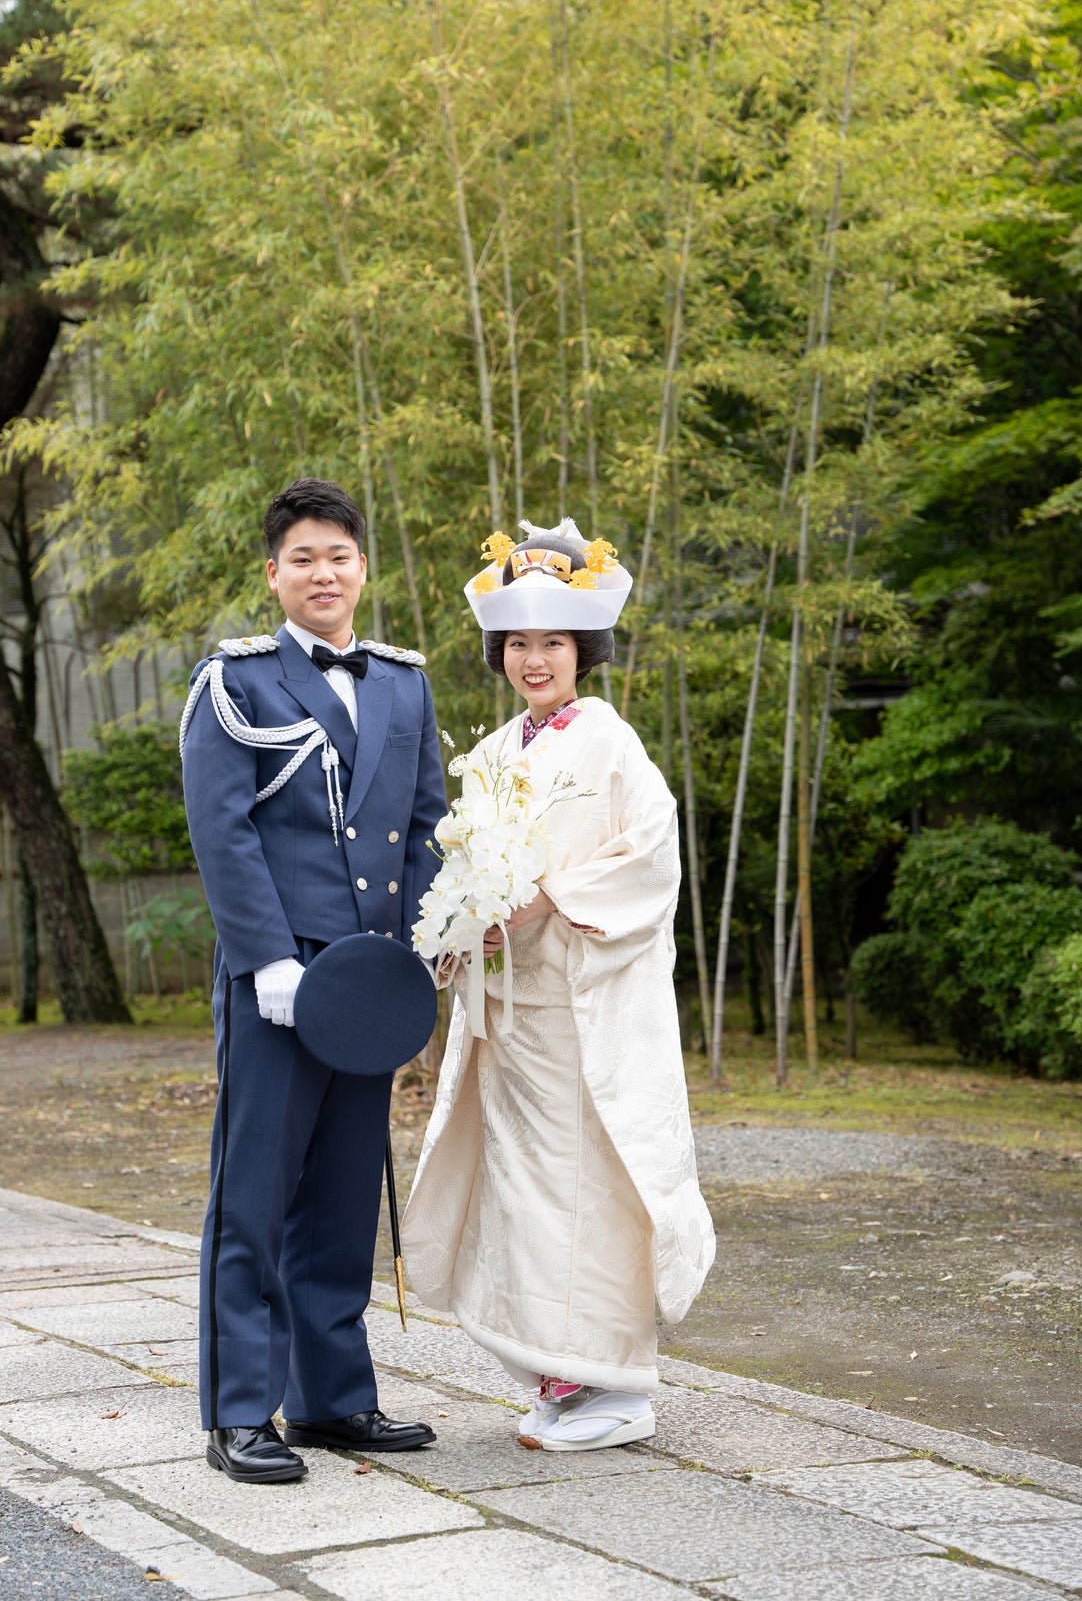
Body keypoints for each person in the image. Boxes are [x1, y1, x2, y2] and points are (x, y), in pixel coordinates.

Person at [402, 518, 715, 1453]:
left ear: (584, 650)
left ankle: (614, 1381)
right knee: (521, 1192)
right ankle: (555, 1375)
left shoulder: (614, 746)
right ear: (502, 653)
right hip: (511, 1016)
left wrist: (547, 898)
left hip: (585, 1008)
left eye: (555, 643)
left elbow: (651, 861)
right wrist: (464, 924)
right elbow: (463, 866)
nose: (536, 660)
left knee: (594, 1182)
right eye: (521, 644)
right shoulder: (493, 754)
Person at [180, 477, 447, 1482]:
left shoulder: (402, 683)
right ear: (275, 575)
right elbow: (225, 831)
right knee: (253, 1195)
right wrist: (269, 959)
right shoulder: (235, 681)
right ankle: (241, 1410)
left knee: (342, 1197)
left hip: (370, 980)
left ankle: (333, 1401)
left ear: (362, 567)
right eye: (303, 559)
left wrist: (418, 948)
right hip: (280, 978)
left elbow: (425, 825)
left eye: (338, 555)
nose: (323, 573)